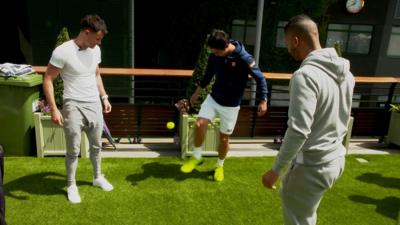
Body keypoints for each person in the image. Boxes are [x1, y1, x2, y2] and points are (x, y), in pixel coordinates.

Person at [262, 14, 355, 225]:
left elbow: (298, 130)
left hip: (312, 167)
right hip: (335, 161)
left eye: (287, 44)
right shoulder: (348, 75)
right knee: (306, 217)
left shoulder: (304, 76)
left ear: (296, 41)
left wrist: (275, 171)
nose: (288, 50)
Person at [181, 29, 269, 181]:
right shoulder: (214, 56)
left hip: (231, 106)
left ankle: (219, 166)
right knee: (200, 123)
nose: (214, 54)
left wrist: (263, 100)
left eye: (216, 52)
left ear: (226, 46)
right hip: (213, 99)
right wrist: (196, 93)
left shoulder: (244, 58)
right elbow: (208, 75)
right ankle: (196, 156)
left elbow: (260, 78)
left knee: (224, 140)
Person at [43, 14, 113, 204]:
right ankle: (71, 184)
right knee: (74, 149)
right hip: (72, 103)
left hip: (94, 104)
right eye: (97, 38)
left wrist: (104, 97)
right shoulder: (62, 51)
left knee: (97, 145)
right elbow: (48, 79)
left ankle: (97, 177)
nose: (99, 42)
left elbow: (96, 74)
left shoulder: (95, 50)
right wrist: (54, 109)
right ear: (86, 32)